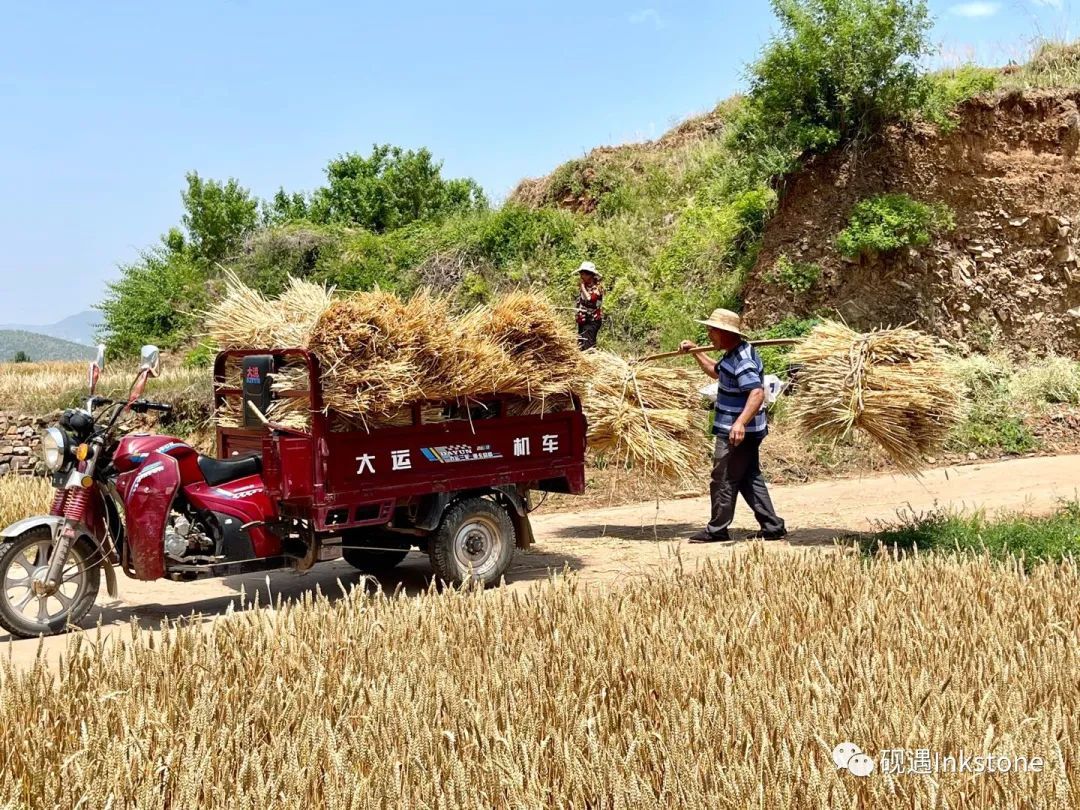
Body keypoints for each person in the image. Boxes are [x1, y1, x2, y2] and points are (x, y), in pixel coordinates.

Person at [680, 308, 786, 543]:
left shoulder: (742, 359)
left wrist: (739, 423)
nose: (709, 335)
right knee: (749, 477)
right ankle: (772, 526)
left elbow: (756, 393)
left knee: (724, 477)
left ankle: (717, 529)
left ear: (724, 333)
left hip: (739, 432)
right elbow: (716, 372)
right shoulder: (732, 355)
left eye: (711, 331)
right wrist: (695, 352)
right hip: (747, 430)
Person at [575, 261, 604, 350]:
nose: (581, 277)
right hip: (583, 319)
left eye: (583, 274)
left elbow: (590, 298)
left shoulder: (598, 287)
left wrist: (582, 287)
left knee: (588, 346)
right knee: (580, 344)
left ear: (590, 275)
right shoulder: (585, 285)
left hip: (592, 320)